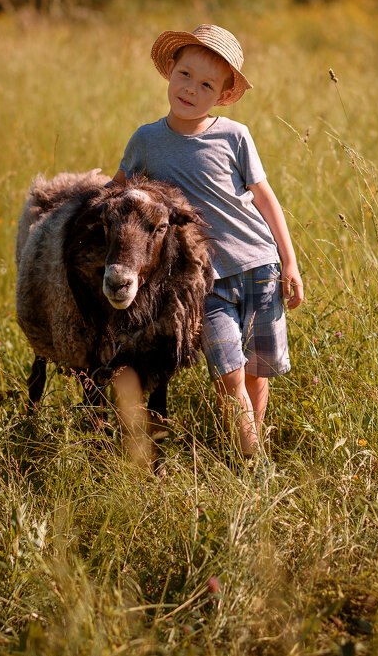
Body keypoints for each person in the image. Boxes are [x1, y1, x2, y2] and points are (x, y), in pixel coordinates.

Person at [112, 24, 304, 465]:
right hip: (205, 282)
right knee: (228, 376)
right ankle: (254, 465)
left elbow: (265, 199)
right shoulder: (147, 140)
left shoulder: (235, 135)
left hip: (260, 266)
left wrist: (289, 262)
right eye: (184, 75)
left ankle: (250, 456)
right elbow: (117, 193)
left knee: (258, 374)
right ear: (169, 73)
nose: (190, 90)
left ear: (220, 95)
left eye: (206, 85)